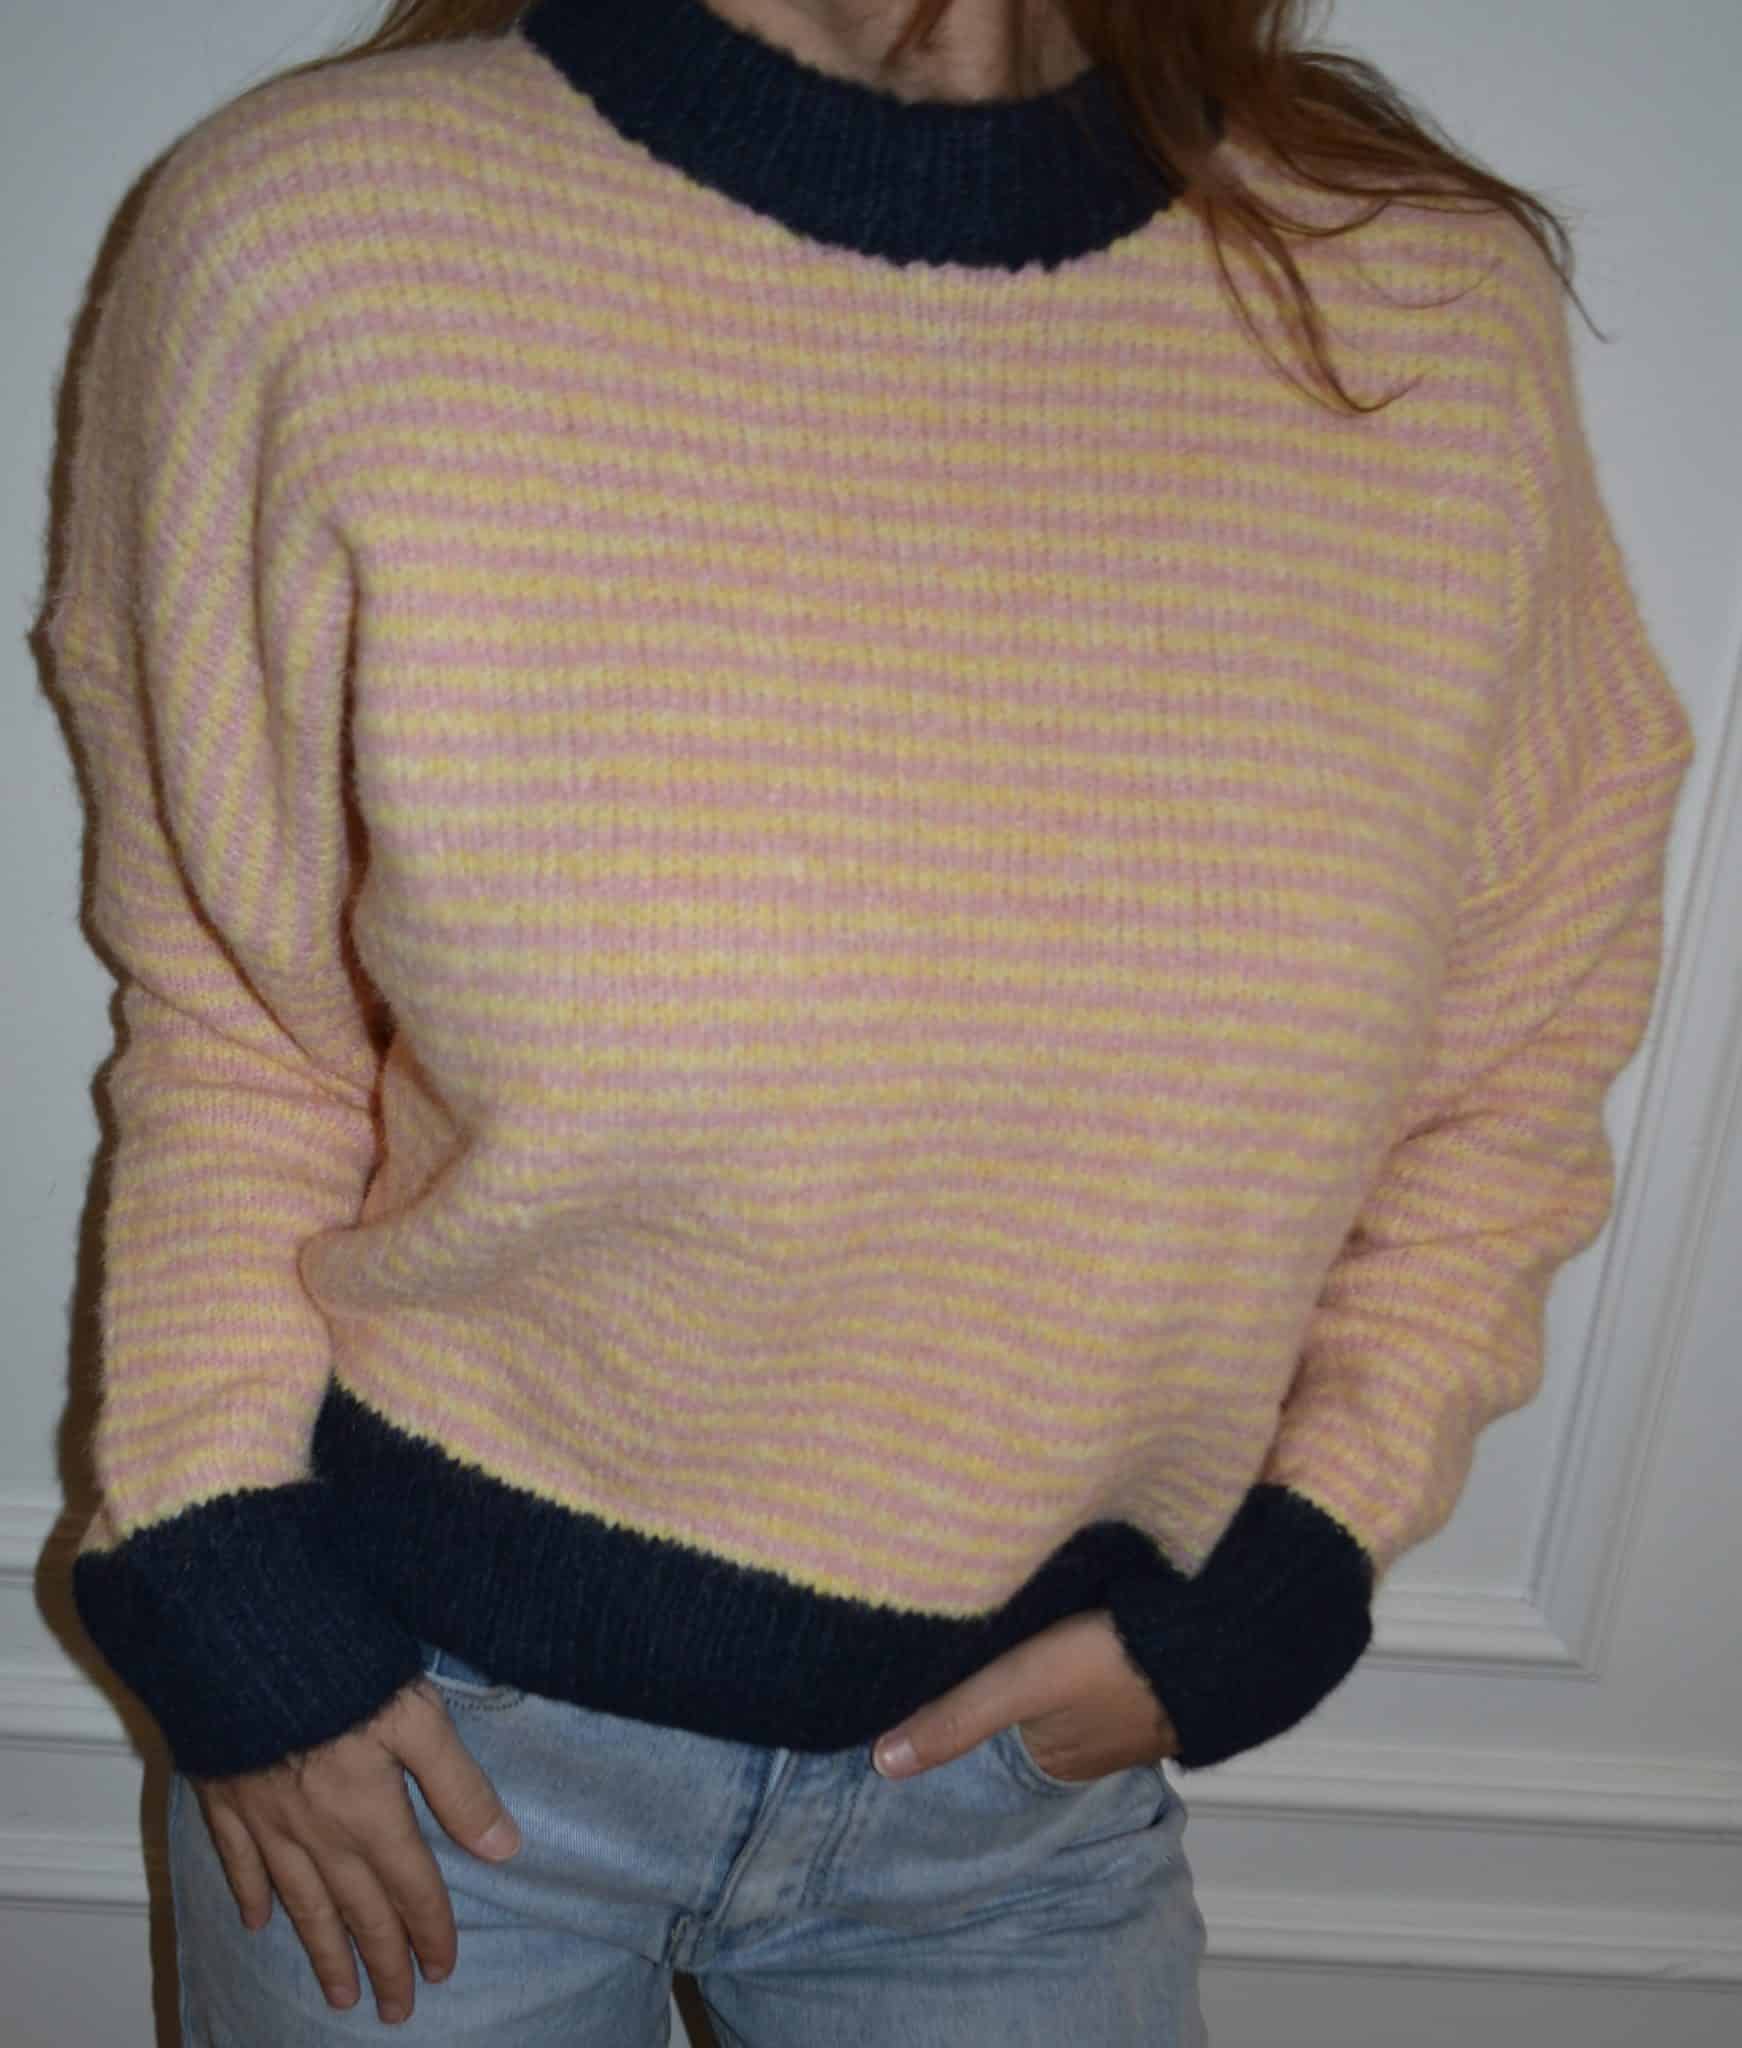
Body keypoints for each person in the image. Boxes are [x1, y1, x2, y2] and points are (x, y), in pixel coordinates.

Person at [40, 0, 1695, 2041]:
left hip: (1014, 1811)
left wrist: (1305, 1547)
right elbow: (236, 1008)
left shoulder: (1413, 306)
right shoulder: (324, 235)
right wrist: (224, 1575)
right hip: (421, 1745)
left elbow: (1514, 1044)